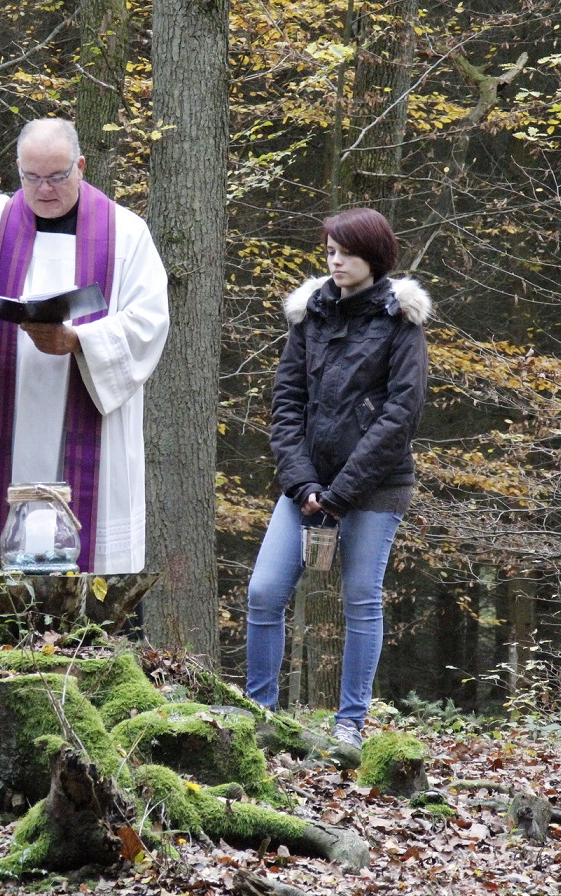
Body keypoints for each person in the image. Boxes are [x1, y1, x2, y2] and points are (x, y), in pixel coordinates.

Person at [0, 97, 170, 645]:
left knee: (93, 564)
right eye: (32, 177)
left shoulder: (126, 233)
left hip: (88, 416)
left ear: (82, 167)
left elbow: (149, 323)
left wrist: (76, 340)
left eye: (57, 176)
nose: (44, 189)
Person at [245, 207, 430, 749]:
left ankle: (350, 725)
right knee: (263, 591)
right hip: (306, 488)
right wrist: (304, 486)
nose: (335, 260)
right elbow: (286, 404)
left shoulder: (402, 323)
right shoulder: (310, 317)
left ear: (373, 255)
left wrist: (341, 494)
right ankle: (261, 716)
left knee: (360, 599)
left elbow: (401, 416)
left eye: (345, 251)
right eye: (329, 251)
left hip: (374, 488)